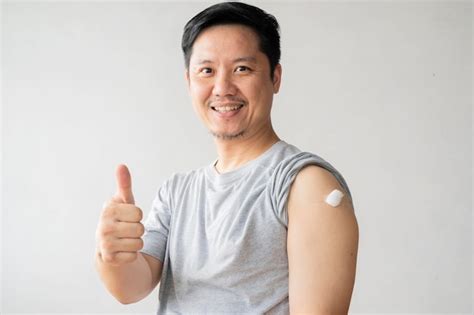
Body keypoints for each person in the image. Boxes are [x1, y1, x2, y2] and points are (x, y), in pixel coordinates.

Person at [95, 2, 359, 314]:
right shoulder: (177, 192)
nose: (222, 88)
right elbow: (130, 288)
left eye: (242, 69)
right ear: (189, 82)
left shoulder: (307, 185)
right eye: (207, 71)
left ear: (275, 77)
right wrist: (113, 254)